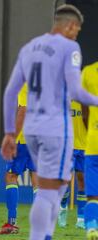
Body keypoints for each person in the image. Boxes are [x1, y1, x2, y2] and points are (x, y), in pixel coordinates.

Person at [1, 4, 98, 240]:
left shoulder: (28, 48)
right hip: (56, 129)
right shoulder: (70, 47)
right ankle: (40, 236)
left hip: (32, 130)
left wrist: (10, 133)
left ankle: (43, 234)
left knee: (54, 185)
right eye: (77, 30)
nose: (77, 35)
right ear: (71, 25)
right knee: (51, 189)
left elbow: (11, 93)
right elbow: (76, 90)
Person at [0, 83, 38, 235]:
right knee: (37, 180)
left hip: (25, 139)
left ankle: (11, 223)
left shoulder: (26, 83)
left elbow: (23, 110)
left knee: (11, 176)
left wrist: (12, 137)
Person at [58, 100, 87, 229]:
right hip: (68, 146)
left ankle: (81, 217)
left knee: (82, 181)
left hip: (85, 146)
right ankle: (63, 207)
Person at [82, 61, 98, 239]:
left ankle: (92, 227)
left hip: (93, 142)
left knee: (93, 194)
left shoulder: (88, 72)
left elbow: (84, 111)